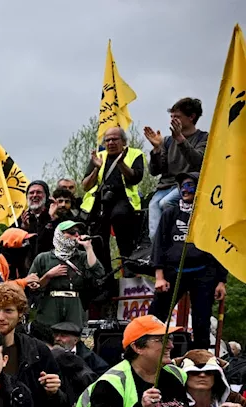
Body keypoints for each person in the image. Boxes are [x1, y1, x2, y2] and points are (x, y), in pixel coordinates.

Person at [150, 172, 227, 350]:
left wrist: (222, 281)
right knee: (155, 316)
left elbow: (220, 248)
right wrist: (159, 276)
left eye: (190, 185)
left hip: (203, 273)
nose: (185, 190)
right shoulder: (170, 213)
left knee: (202, 320)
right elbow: (159, 245)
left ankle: (200, 360)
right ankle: (149, 351)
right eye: (183, 185)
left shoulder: (210, 216)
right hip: (173, 272)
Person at [81, 126, 145, 276]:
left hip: (124, 201)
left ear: (123, 141)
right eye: (107, 140)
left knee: (122, 227)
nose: (110, 143)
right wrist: (96, 168)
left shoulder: (135, 154)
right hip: (101, 202)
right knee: (98, 241)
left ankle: (129, 273)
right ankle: (104, 279)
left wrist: (121, 163)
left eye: (114, 139)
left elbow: (135, 178)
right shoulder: (99, 156)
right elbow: (85, 185)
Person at [144, 98, 208, 246]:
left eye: (177, 117)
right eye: (171, 117)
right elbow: (155, 171)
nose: (172, 120)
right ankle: (158, 256)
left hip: (186, 186)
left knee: (166, 203)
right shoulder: (167, 141)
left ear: (191, 117)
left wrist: (180, 139)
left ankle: (176, 243)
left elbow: (198, 162)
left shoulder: (203, 138)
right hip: (165, 187)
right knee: (154, 231)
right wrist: (156, 149)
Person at [24, 220, 105, 330]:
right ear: (59, 235)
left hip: (74, 303)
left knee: (73, 336)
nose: (76, 235)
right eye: (71, 232)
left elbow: (99, 273)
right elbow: (31, 287)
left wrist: (89, 248)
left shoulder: (81, 256)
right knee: (48, 337)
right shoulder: (43, 258)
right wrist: (48, 275)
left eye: (77, 232)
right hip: (50, 303)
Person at [16, 180, 55, 259]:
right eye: (31, 193)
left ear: (46, 196)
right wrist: (24, 229)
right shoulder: (20, 219)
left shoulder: (55, 215)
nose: (34, 195)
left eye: (39, 192)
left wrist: (52, 219)